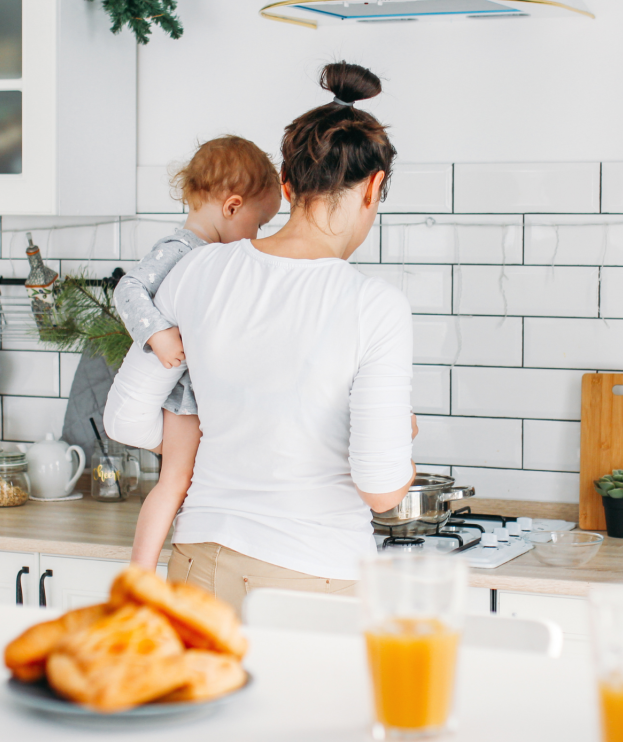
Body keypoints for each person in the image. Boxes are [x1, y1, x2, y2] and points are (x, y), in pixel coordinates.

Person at [104, 61, 417, 612]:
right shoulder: (376, 306)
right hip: (315, 577)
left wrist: (232, 432)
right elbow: (381, 490)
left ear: (288, 185)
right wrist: (403, 443)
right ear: (374, 187)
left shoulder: (199, 271)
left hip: (200, 562)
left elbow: (125, 418)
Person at [113, 136, 282, 570]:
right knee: (175, 479)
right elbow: (128, 289)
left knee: (191, 478)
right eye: (258, 223)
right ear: (231, 207)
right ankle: (141, 569)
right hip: (185, 395)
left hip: (207, 393)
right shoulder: (181, 249)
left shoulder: (214, 257)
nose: (257, 236)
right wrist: (158, 335)